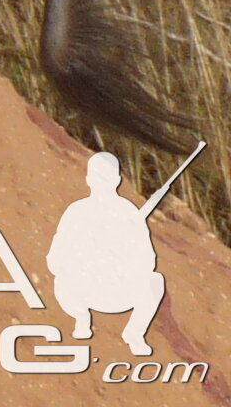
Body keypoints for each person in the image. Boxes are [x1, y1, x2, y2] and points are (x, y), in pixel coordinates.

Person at [48, 151, 168, 356]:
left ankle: (134, 334)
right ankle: (81, 318)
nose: (102, 182)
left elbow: (148, 259)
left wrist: (123, 261)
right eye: (97, 176)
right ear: (88, 179)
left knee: (155, 281)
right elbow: (55, 257)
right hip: (84, 290)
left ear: (117, 180)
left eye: (107, 177)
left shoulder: (129, 213)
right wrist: (85, 260)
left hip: (118, 290)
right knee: (62, 280)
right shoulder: (76, 211)